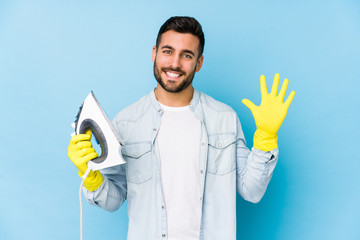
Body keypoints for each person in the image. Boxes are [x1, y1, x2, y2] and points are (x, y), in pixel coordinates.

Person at [68, 16, 295, 240]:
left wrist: (266, 138)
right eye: (168, 51)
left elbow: (252, 191)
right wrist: (90, 176)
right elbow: (113, 200)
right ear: (154, 53)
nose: (175, 63)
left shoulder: (224, 118)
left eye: (186, 55)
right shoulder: (126, 122)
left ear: (199, 63)